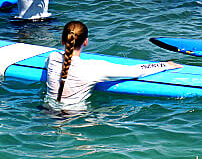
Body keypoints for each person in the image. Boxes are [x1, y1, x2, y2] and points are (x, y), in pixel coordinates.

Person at [45, 21, 181, 107]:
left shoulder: (53, 57)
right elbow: (134, 72)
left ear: (63, 40)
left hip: (46, 112)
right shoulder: (93, 68)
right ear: (85, 42)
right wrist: (165, 65)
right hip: (74, 120)